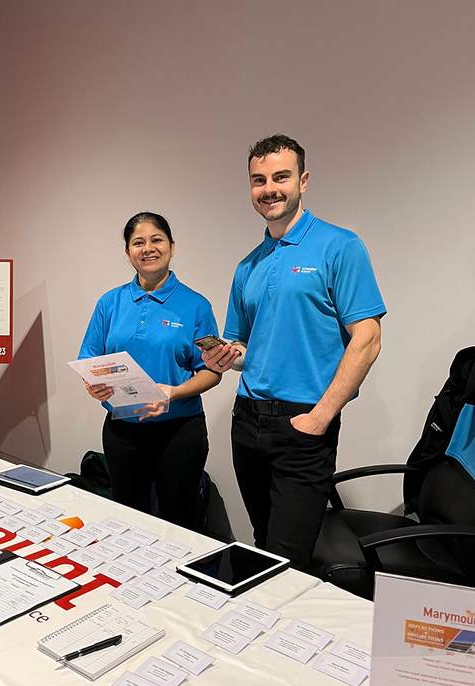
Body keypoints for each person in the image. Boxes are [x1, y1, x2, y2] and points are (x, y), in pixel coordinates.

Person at [202, 135, 386, 572]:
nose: (270, 188)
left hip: (302, 423)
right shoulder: (248, 264)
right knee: (263, 546)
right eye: (258, 180)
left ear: (302, 181)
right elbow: (247, 348)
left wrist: (320, 417)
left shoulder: (339, 246)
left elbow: (368, 338)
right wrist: (225, 358)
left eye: (281, 177)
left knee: (290, 558)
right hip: (247, 422)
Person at [78, 212, 221, 530]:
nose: (148, 248)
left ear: (172, 246)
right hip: (122, 431)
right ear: (127, 252)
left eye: (156, 240)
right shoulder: (110, 302)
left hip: (179, 431)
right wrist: (94, 385)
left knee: (179, 522)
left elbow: (211, 371)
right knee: (128, 520)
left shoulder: (195, 305)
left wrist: (173, 392)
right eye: (138, 242)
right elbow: (89, 358)